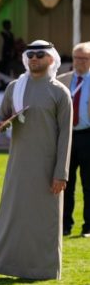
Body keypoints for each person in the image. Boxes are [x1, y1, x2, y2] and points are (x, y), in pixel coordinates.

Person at [0, 40, 71, 280]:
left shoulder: (60, 92)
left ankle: (39, 270)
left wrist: (61, 173)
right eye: (31, 54)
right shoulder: (15, 87)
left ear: (51, 58)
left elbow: (66, 137)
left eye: (40, 54)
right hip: (17, 164)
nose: (35, 58)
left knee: (43, 219)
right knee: (9, 214)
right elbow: (0, 117)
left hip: (48, 167)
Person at [59, 42, 90, 237]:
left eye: (84, 58)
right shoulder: (62, 80)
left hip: (88, 136)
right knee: (64, 183)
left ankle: (88, 226)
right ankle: (64, 225)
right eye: (76, 57)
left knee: (89, 184)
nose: (79, 62)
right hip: (66, 137)